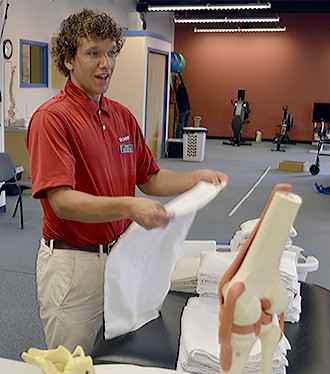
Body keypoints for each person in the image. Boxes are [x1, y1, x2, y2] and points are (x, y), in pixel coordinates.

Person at [26, 8, 228, 355]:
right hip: (75, 266)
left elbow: (149, 178)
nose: (105, 64)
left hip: (122, 259)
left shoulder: (120, 115)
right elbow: (62, 201)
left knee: (119, 358)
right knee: (70, 368)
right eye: (93, 53)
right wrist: (130, 207)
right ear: (68, 60)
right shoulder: (52, 119)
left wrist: (194, 179)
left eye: (111, 53)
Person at [173, 71, 191, 138]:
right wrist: (180, 75)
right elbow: (183, 84)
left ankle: (179, 137)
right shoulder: (185, 92)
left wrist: (174, 78)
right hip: (188, 108)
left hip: (182, 110)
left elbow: (174, 87)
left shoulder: (178, 95)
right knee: (187, 124)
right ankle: (187, 136)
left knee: (181, 124)